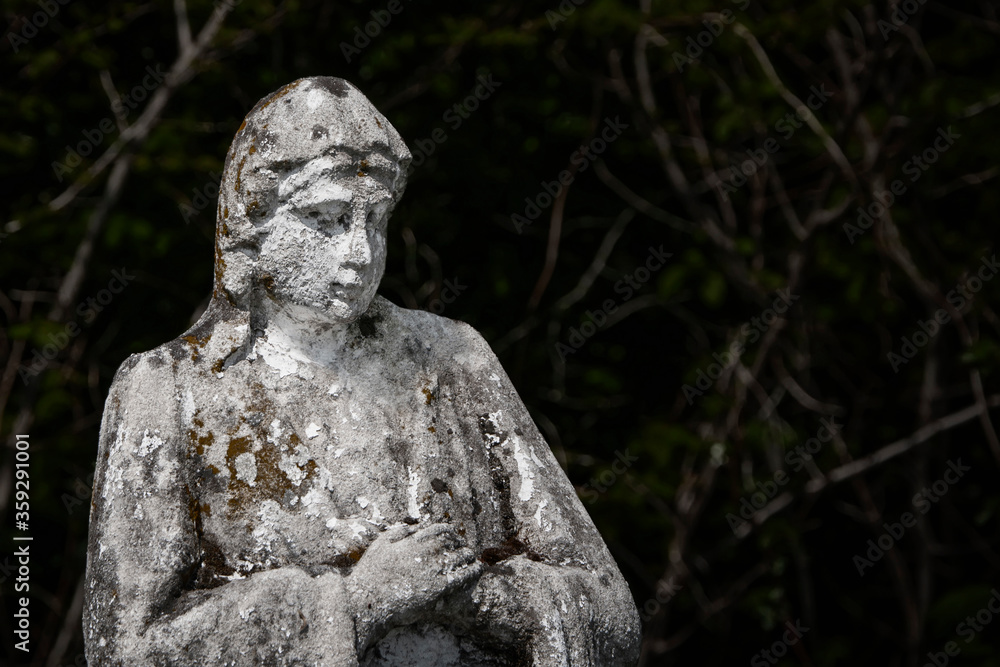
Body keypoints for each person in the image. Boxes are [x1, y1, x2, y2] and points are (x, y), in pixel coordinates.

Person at [84, 76, 641, 666]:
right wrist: (355, 604)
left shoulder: (452, 358)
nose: (358, 252)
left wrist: (473, 599)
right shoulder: (168, 390)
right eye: (325, 219)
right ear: (253, 221)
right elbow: (128, 650)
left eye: (374, 220)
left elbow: (609, 612)